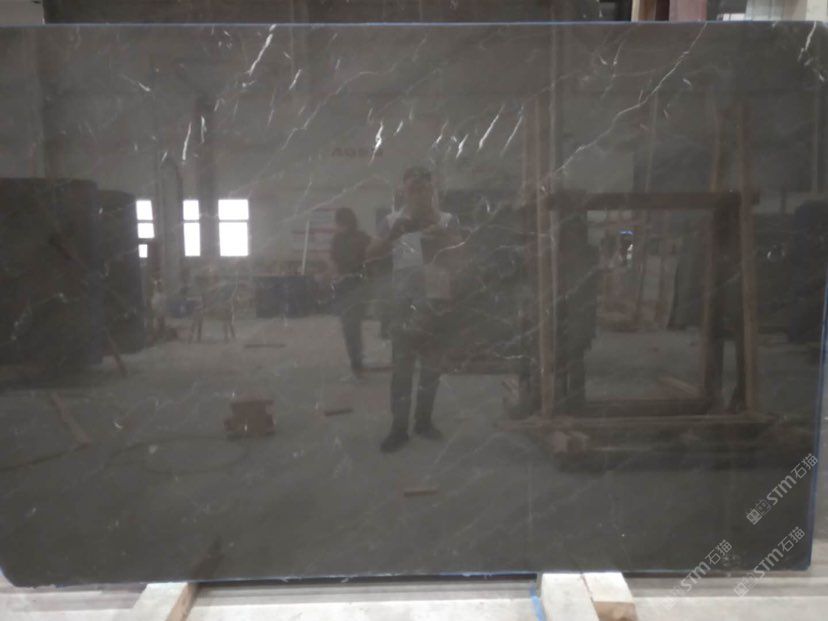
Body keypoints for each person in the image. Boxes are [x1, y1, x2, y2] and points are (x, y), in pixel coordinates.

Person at [368, 166, 461, 453]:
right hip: (404, 303)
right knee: (402, 368)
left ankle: (423, 422)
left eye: (424, 188)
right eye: (413, 188)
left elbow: (461, 254)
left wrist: (442, 236)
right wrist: (394, 234)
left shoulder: (447, 220)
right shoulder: (392, 221)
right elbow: (370, 254)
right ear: (403, 191)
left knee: (431, 367)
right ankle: (399, 428)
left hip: (437, 300)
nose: (419, 193)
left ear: (432, 190)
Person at [330, 207, 371, 377]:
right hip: (357, 284)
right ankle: (357, 363)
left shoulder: (338, 239)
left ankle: (357, 364)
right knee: (353, 326)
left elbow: (335, 263)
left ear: (341, 222)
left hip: (349, 285)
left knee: (350, 327)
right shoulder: (362, 237)